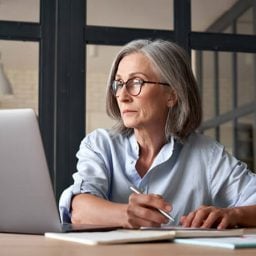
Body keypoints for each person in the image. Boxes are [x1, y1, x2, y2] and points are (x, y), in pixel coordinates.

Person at [59, 39, 256, 229]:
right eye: (118, 83)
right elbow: (78, 210)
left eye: (136, 82)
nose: (122, 95)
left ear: (172, 95)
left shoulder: (208, 155)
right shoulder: (100, 144)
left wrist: (232, 214)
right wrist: (126, 214)